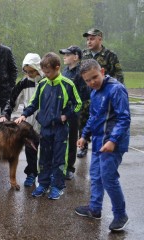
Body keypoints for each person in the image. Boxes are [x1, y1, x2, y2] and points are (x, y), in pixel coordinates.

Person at [15, 52, 82, 200]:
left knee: (59, 159)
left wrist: (66, 115)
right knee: (43, 158)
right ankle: (43, 184)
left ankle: (57, 186)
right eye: (43, 72)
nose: (45, 75)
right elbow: (33, 103)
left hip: (60, 129)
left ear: (57, 68)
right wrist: (24, 114)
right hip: (44, 128)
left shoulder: (67, 84)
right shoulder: (42, 85)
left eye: (48, 72)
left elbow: (78, 104)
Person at [75, 59, 130, 232]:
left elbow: (124, 119)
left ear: (103, 71)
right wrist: (84, 135)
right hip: (99, 141)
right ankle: (94, 208)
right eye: (87, 80)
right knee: (96, 176)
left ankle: (120, 214)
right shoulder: (94, 92)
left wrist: (113, 141)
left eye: (94, 77)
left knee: (108, 177)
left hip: (113, 143)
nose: (92, 82)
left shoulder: (116, 89)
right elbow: (93, 116)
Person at [79, 28, 124, 158]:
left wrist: (115, 93)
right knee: (84, 119)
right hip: (87, 95)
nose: (89, 41)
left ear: (100, 38)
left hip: (105, 95)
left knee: (103, 121)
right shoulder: (84, 54)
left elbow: (119, 75)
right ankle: (83, 145)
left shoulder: (110, 55)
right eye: (87, 39)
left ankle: (105, 144)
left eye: (92, 38)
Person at [0, 53, 44, 187]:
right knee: (30, 149)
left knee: (46, 151)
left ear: (38, 68)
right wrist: (5, 114)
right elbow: (12, 100)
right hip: (29, 121)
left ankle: (45, 177)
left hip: (46, 122)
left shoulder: (46, 81)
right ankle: (31, 173)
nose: (29, 74)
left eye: (31, 71)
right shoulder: (24, 83)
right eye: (26, 71)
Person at [59, 45, 91, 180]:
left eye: (67, 54)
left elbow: (85, 95)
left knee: (72, 140)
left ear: (76, 57)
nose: (64, 57)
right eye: (64, 54)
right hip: (63, 111)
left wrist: (75, 111)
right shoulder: (64, 71)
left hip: (74, 111)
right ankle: (60, 165)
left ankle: (69, 168)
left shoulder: (81, 73)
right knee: (61, 140)